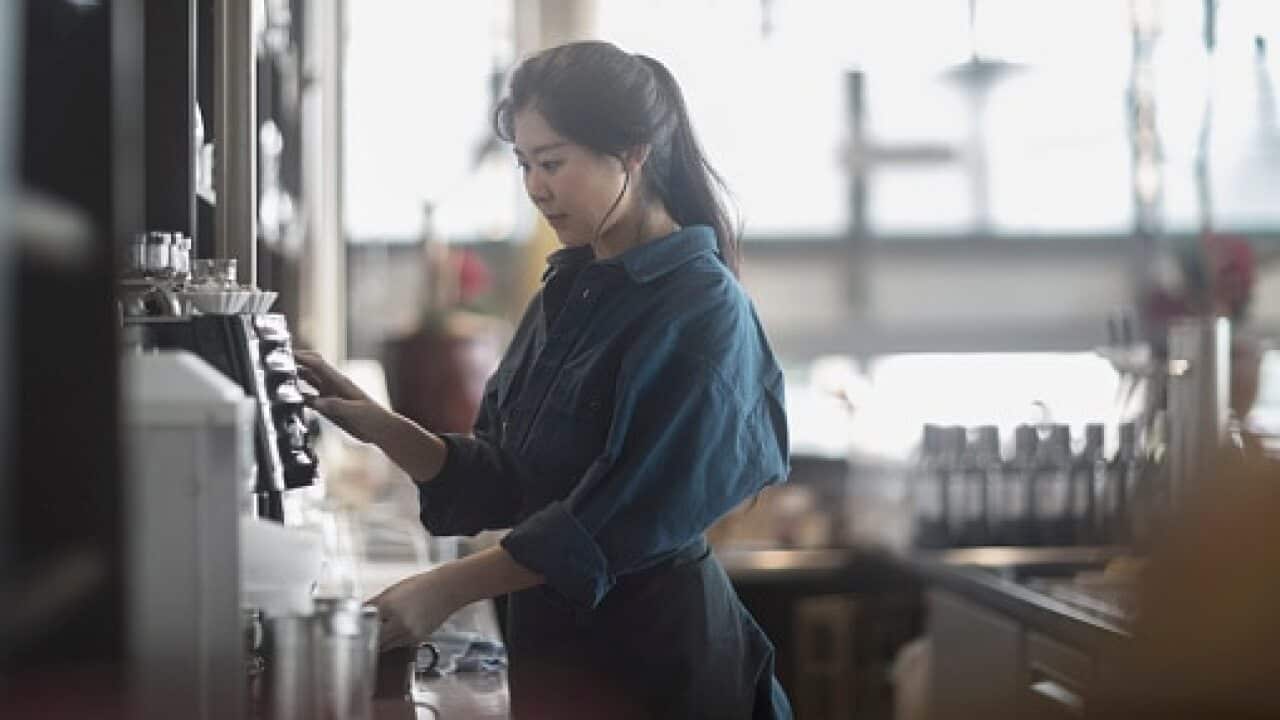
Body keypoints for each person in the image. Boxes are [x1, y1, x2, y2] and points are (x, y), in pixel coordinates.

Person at [297, 40, 792, 718]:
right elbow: (507, 477)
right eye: (524, 163)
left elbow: (617, 520)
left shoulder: (702, 308)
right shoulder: (569, 290)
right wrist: (380, 426)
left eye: (552, 162)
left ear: (634, 153)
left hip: (656, 662)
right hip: (556, 653)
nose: (534, 186)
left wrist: (445, 588)